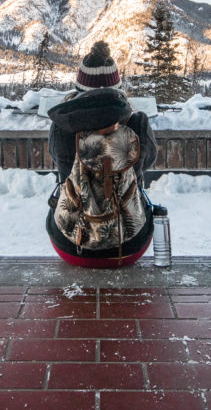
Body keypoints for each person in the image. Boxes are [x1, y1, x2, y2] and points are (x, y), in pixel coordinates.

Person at [46, 41, 158, 267]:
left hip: (71, 246)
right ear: (117, 89)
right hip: (129, 246)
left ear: (78, 88)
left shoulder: (61, 126)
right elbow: (148, 161)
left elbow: (58, 160)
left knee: (55, 209)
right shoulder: (137, 123)